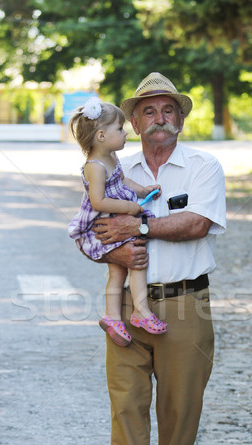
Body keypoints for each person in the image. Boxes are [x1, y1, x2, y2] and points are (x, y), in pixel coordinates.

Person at [88, 73, 226, 445]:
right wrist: (114, 250)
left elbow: (197, 223)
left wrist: (140, 229)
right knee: (126, 403)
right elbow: (91, 228)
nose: (158, 119)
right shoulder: (115, 170)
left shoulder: (203, 166)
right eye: (148, 111)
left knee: (180, 407)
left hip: (188, 303)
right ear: (133, 120)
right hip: (129, 304)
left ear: (181, 119)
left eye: (168, 110)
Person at [68, 97, 167, 346]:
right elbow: (98, 201)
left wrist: (143, 191)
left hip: (118, 214)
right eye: (120, 129)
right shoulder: (95, 166)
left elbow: (124, 182)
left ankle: (117, 316)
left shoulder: (112, 158)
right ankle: (137, 312)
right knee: (131, 264)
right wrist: (129, 207)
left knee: (124, 267)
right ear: (101, 136)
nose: (125, 134)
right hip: (107, 218)